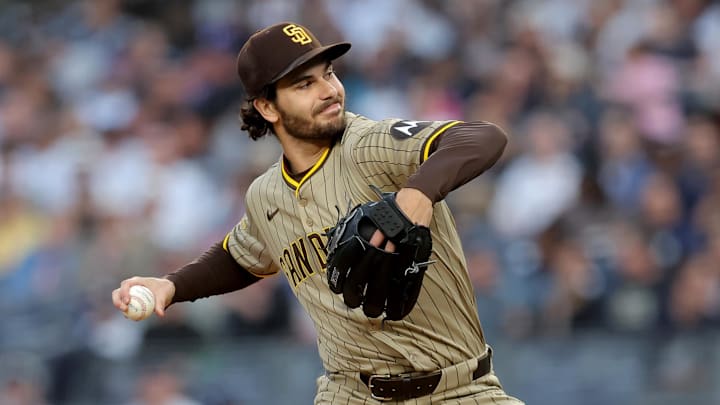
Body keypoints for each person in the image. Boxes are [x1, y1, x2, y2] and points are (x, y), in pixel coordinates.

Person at [112, 21, 522, 404]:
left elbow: (482, 137)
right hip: (349, 394)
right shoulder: (266, 194)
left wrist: (416, 194)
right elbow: (241, 257)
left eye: (329, 73)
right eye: (305, 84)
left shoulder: (369, 144)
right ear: (268, 108)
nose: (329, 90)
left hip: (460, 389)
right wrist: (171, 286)